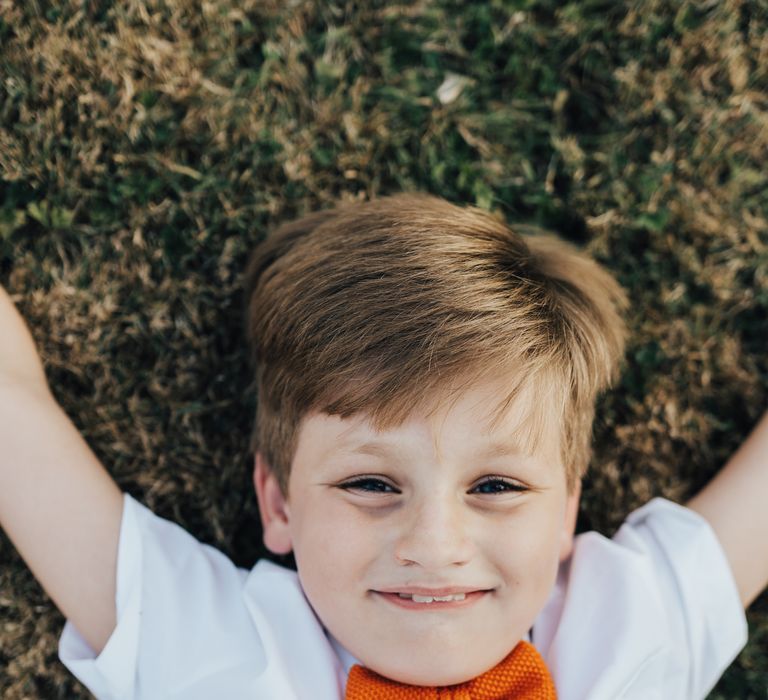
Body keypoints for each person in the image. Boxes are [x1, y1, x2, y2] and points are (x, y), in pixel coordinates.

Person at [0, 193, 765, 699]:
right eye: (370, 484)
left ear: (566, 508)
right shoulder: (214, 652)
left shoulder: (628, 625)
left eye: (495, 486)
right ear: (278, 502)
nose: (435, 546)